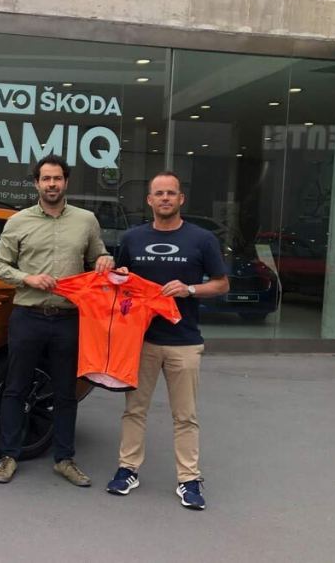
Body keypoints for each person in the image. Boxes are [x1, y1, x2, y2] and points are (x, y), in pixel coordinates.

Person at [105, 171, 229, 510]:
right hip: (140, 340)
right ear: (149, 200)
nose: (165, 198)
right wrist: (113, 273)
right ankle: (127, 469)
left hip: (184, 341)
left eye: (171, 193)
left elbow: (222, 284)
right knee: (134, 410)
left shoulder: (202, 239)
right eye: (158, 193)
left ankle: (189, 479)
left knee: (185, 416)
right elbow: (120, 281)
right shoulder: (133, 238)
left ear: (180, 198)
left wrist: (190, 289)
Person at [0, 154, 114, 487]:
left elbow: (98, 257)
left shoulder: (86, 221)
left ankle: (64, 459)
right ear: (36, 184)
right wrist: (27, 278)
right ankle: (9, 455)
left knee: (65, 392)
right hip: (27, 316)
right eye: (46, 179)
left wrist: (105, 259)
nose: (52, 184)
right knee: (15, 387)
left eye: (57, 178)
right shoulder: (18, 222)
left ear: (66, 182)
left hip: (68, 318)